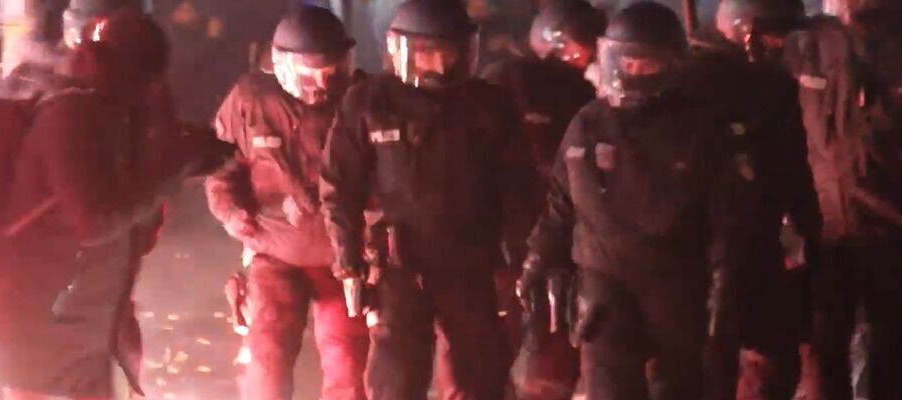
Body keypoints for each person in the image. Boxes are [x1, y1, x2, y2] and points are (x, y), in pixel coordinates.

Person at [519, 2, 761, 399]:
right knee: (609, 389)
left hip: (679, 283)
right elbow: (562, 206)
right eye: (626, 63)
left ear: (671, 65)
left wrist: (725, 285)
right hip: (605, 283)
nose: (634, 74)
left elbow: (727, 218)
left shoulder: (702, 129)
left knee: (681, 388)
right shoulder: (589, 123)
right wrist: (540, 255)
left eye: (646, 65)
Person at [321, 0, 537, 399]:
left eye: (448, 54)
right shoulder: (369, 102)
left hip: (471, 263)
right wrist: (348, 264)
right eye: (426, 55)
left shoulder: (488, 105)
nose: (439, 66)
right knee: (395, 381)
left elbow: (520, 190)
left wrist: (525, 261)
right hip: (398, 265)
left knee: (479, 378)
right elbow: (340, 189)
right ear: (400, 51)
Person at [0, 10, 171, 400]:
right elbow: (93, 222)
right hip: (31, 339)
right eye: (140, 78)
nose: (147, 92)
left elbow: (131, 234)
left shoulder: (114, 121)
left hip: (74, 336)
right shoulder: (69, 116)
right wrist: (168, 177)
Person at [783, 0, 902, 398]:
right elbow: (772, 129)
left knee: (895, 366)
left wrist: (896, 164)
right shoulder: (804, 44)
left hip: (899, 239)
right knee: (819, 366)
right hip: (820, 241)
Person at [204, 6, 369, 400]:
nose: (321, 88)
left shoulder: (362, 102)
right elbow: (220, 167)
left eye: (333, 74)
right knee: (268, 349)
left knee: (347, 357)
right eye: (308, 76)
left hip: (343, 254)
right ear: (280, 66)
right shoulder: (250, 101)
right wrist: (230, 211)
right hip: (274, 249)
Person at [689, 1, 820, 399]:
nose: (783, 46)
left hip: (760, 244)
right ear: (748, 31)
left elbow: (793, 165)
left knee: (768, 365)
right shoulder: (689, 81)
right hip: (698, 252)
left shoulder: (773, 84)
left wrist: (805, 223)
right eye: (776, 36)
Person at [477, 1, 605, 399]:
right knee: (493, 338)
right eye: (585, 49)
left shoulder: (584, 92)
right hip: (506, 231)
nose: (590, 58)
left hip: (561, 230)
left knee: (554, 337)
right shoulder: (505, 82)